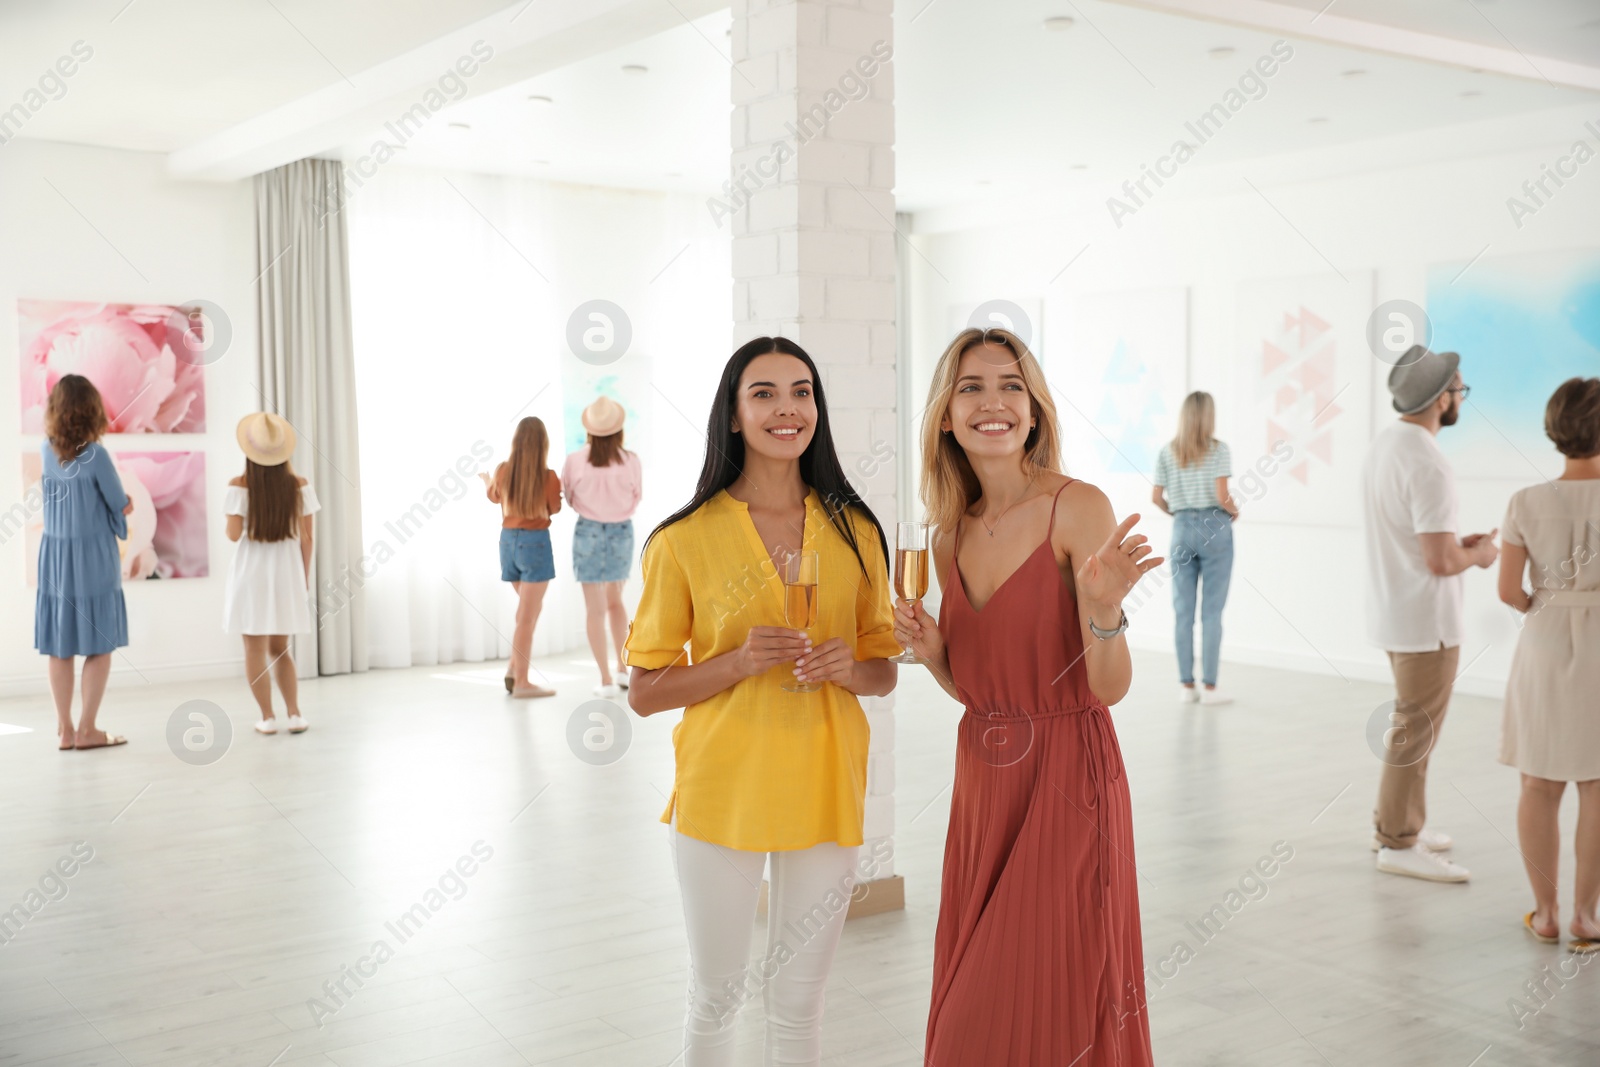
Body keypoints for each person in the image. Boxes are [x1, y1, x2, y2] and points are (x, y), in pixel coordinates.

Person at [624, 337, 899, 1067]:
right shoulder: (681, 541)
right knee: (715, 998)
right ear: (735, 413)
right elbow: (644, 692)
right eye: (765, 392)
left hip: (824, 788)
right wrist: (738, 662)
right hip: (724, 792)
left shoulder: (856, 530)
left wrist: (850, 666)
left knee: (799, 1006)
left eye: (802, 391)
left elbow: (884, 671)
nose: (788, 408)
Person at [894, 327, 1159, 1066]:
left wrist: (1104, 610)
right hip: (984, 785)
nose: (993, 402)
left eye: (1011, 385)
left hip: (1069, 781)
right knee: (970, 1012)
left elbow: (1107, 687)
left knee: (1059, 997)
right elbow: (980, 692)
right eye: (971, 387)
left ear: (1036, 411)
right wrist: (935, 653)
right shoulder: (947, 536)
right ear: (946, 415)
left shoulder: (1078, 509)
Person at [1364, 345, 1497, 882]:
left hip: (1397, 614)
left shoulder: (1387, 446)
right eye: (1458, 389)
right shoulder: (1429, 462)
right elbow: (1442, 560)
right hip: (1428, 623)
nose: (1459, 396)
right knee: (1414, 736)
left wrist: (1453, 545)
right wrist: (1481, 555)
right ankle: (1397, 843)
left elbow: (1421, 541)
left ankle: (1400, 824)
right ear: (1440, 399)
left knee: (1409, 731)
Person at [1496, 377, 1600, 948]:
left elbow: (1509, 591)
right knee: (1598, 784)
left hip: (1544, 640)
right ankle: (1588, 917)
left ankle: (1547, 913)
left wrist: (1551, 604)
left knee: (1538, 784)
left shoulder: (1526, 502)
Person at [35, 374, 133, 751]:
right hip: (92, 557)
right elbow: (116, 502)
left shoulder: (46, 450)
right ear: (92, 410)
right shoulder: (95, 454)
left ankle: (65, 730)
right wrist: (126, 506)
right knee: (99, 642)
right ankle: (88, 730)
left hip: (55, 557)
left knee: (60, 644)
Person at [224, 413, 318, 735]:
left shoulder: (239, 486)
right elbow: (307, 539)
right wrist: (301, 580)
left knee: (254, 648)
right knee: (281, 648)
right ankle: (295, 714)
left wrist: (232, 512)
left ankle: (267, 718)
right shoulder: (299, 486)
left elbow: (234, 535)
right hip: (285, 574)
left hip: (251, 576)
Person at [1152, 390, 1238, 705]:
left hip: (1182, 528)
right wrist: (1235, 511)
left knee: (1182, 612)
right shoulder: (1219, 450)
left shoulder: (1167, 451)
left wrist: (1178, 514)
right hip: (1215, 527)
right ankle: (1211, 688)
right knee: (1212, 613)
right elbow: (1221, 495)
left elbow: (1156, 497)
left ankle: (1187, 687)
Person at [561, 396, 642, 698]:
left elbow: (569, 498)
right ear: (618, 430)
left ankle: (606, 679)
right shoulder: (631, 460)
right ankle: (623, 671)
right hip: (622, 531)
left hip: (588, 532)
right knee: (616, 602)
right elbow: (637, 496)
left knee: (594, 610)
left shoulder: (574, 460)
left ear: (590, 430)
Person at [481, 417, 562, 699]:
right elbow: (554, 507)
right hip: (535, 544)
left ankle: (513, 670)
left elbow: (494, 496)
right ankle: (524, 683)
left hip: (508, 543)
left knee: (528, 612)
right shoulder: (549, 477)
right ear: (543, 444)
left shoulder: (503, 470)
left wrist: (487, 481)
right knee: (526, 617)